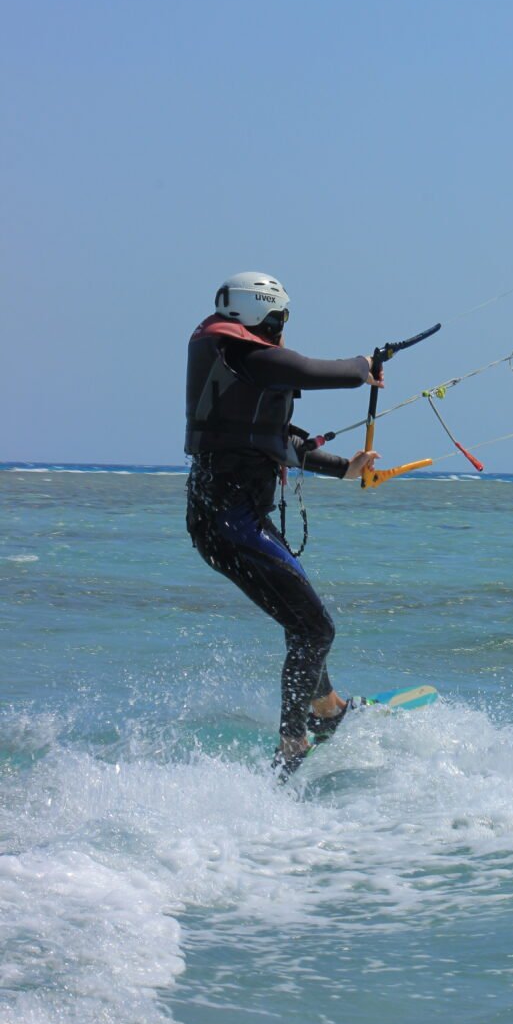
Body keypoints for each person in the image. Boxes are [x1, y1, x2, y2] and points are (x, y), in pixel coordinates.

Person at [184, 271, 382, 777]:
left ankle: (329, 708)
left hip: (230, 522)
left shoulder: (240, 365)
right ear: (258, 315)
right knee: (315, 627)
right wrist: (362, 368)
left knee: (303, 621)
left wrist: (344, 467)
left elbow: (273, 441)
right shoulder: (242, 356)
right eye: (279, 318)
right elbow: (311, 370)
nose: (283, 327)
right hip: (230, 524)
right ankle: (294, 739)